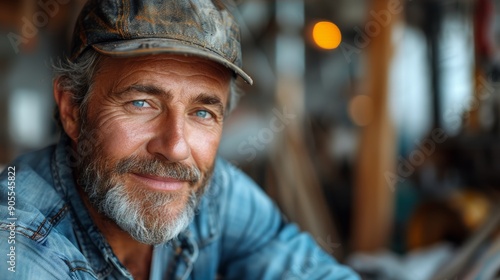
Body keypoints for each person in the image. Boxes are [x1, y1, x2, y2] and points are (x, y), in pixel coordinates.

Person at [0, 0, 360, 279]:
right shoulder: (19, 249)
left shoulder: (210, 192)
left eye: (202, 112)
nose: (175, 148)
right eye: (141, 103)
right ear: (72, 110)